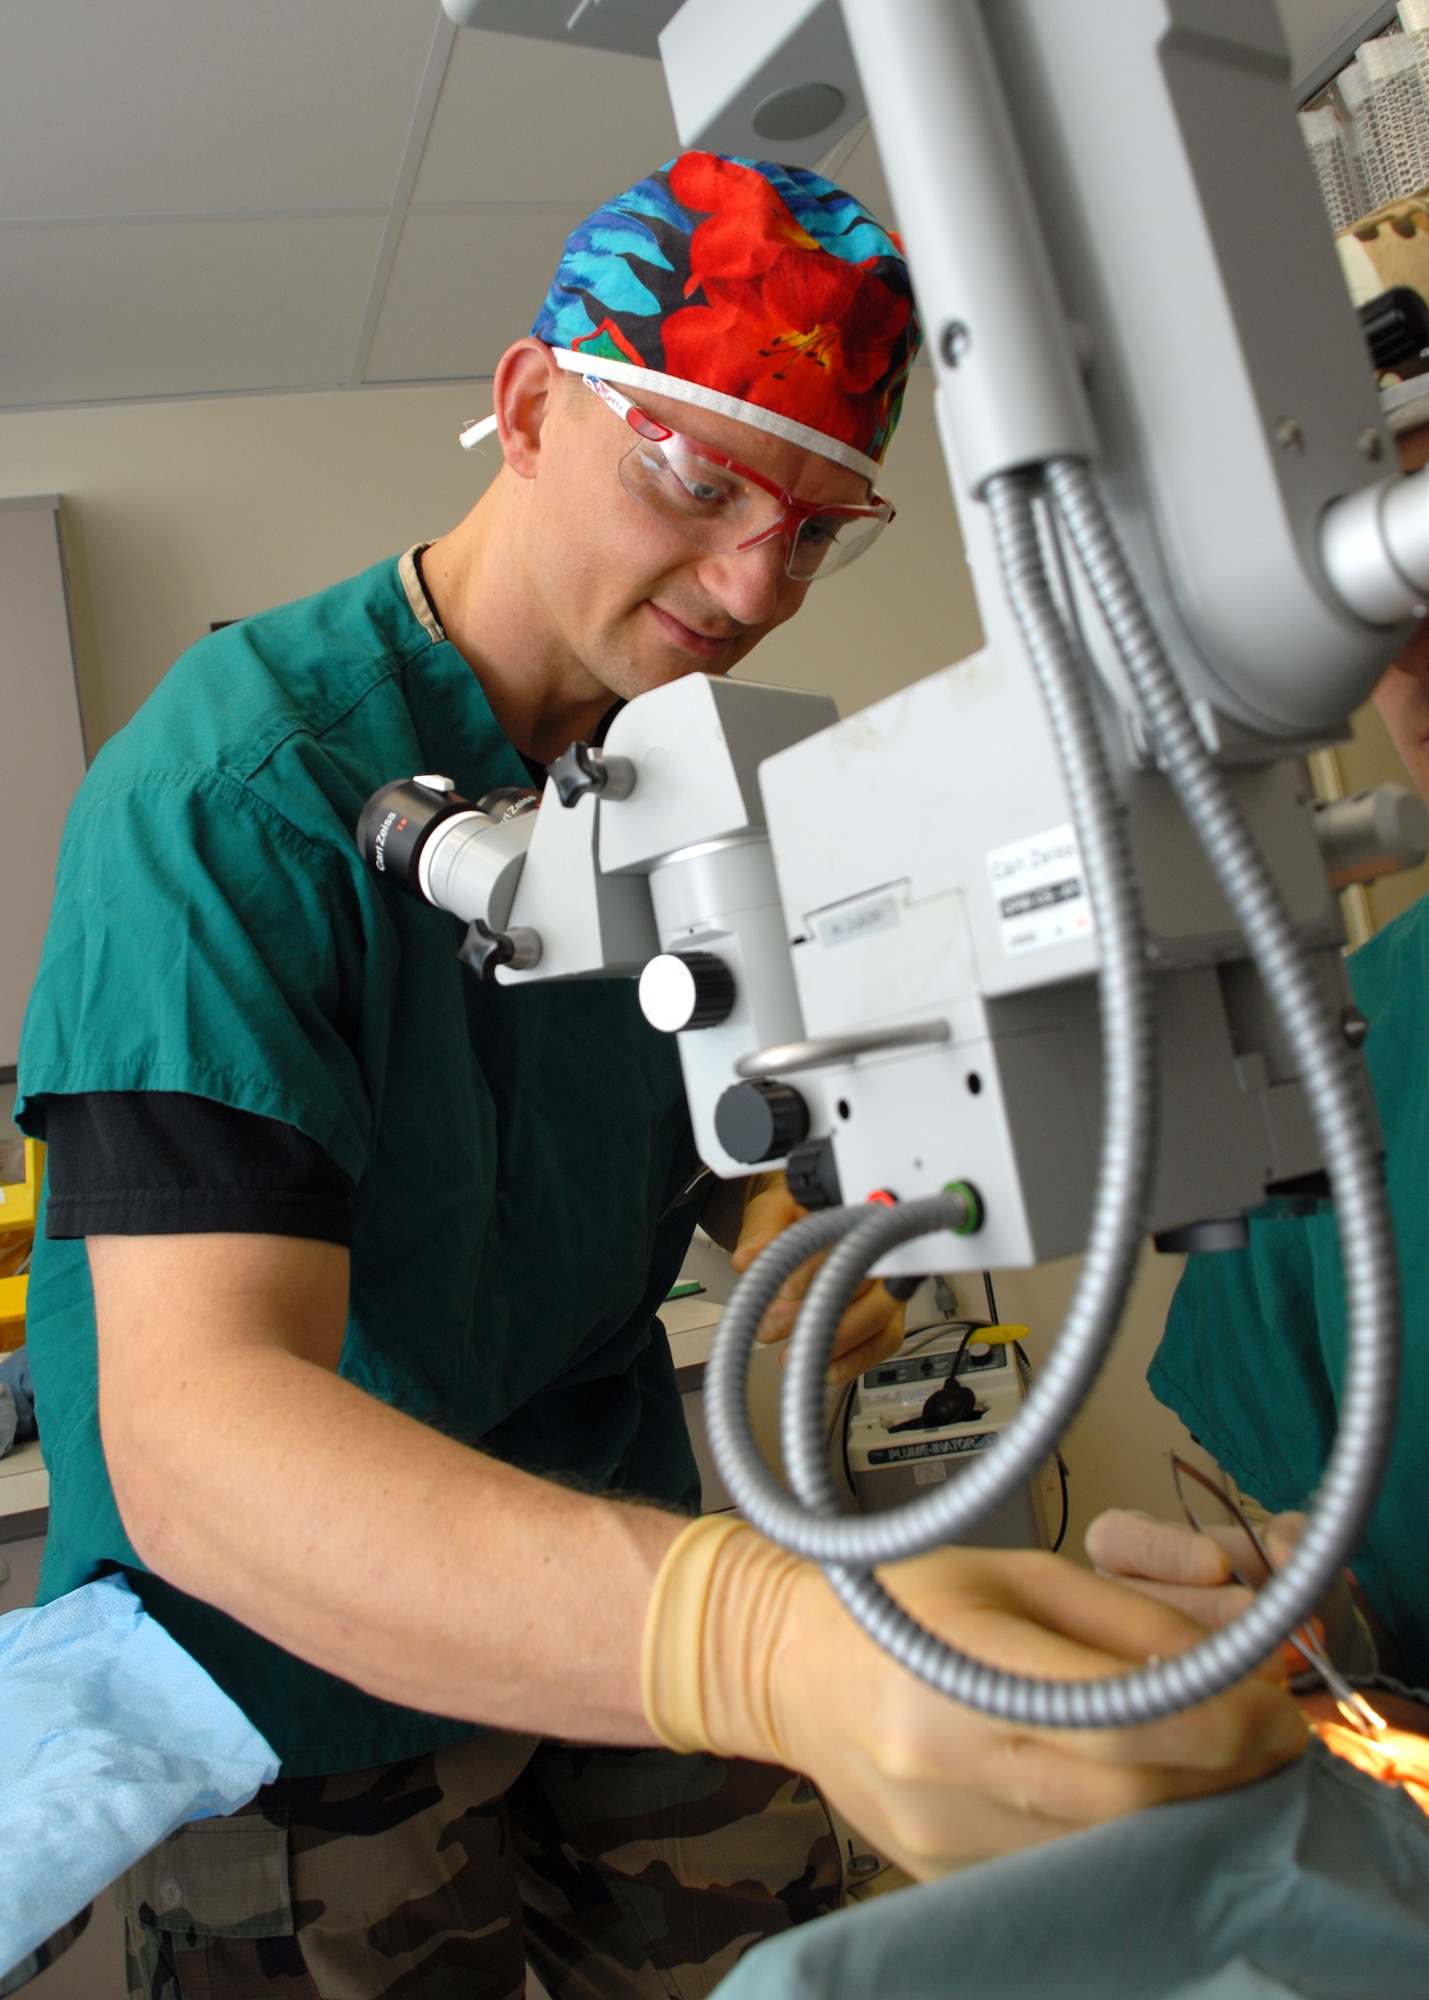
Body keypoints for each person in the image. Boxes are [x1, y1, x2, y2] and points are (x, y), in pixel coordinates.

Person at [14, 154, 1302, 2000]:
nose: (749, 577)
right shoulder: (230, 800)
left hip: (607, 1516)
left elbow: (711, 1154)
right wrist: (753, 1642)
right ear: (528, 408)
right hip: (299, 1657)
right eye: (696, 481)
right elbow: (198, 1438)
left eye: (814, 524)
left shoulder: (697, 802)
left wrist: (819, 1239)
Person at [1090, 421, 1429, 1692]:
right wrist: (1305, 1625)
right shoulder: (1352, 1044)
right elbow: (1369, 1577)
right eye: (1377, 595)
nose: (1409, 661)